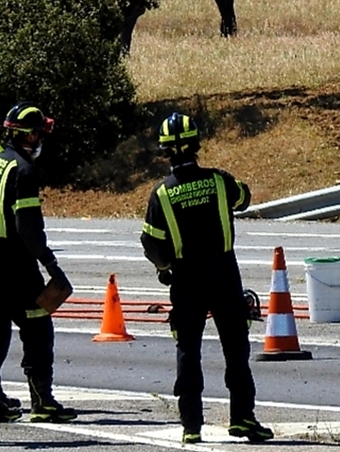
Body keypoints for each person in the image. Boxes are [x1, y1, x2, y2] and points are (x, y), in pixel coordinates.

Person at [140, 112, 272, 444]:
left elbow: (151, 244)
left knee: (188, 349)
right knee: (236, 348)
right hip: (224, 273)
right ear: (197, 145)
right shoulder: (219, 181)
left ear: (165, 151)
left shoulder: (162, 195)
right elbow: (245, 197)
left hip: (186, 278)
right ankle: (243, 418)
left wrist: (164, 269)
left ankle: (191, 426)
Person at [0, 102, 76, 423]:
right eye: (39, 134)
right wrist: (52, 266)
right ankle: (42, 401)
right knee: (38, 329)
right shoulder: (24, 170)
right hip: (17, 268)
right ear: (30, 135)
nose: (41, 140)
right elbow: (28, 228)